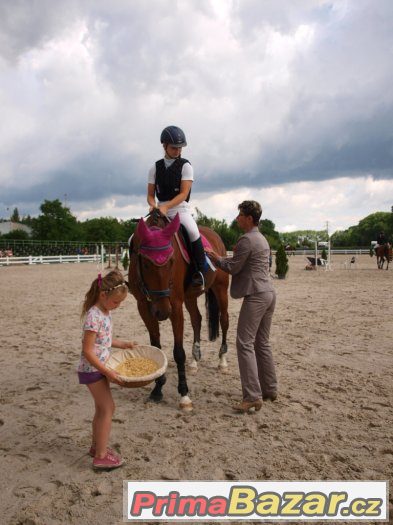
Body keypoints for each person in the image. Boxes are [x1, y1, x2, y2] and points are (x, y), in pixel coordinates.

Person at [206, 200, 277, 413]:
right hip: (269, 293)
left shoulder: (246, 239)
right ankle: (270, 388)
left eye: (239, 215)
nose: (237, 219)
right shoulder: (261, 238)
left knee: (244, 343)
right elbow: (240, 261)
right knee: (262, 342)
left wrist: (216, 259)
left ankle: (252, 396)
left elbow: (234, 267)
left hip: (256, 295)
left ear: (248, 218)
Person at [78, 269, 136, 470]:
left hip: (100, 368)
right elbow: (88, 350)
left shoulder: (105, 311)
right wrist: (109, 372)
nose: (117, 306)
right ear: (103, 295)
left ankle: (96, 447)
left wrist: (123, 344)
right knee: (108, 408)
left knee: (102, 408)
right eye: (115, 302)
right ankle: (101, 456)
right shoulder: (94, 316)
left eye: (120, 303)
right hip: (92, 369)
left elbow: (104, 341)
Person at [147, 125, 207, 289]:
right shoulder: (154, 168)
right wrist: (154, 206)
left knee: (193, 231)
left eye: (180, 148)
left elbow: (183, 193)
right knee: (134, 237)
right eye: (174, 148)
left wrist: (167, 207)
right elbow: (150, 195)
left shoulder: (186, 166)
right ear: (164, 145)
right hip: (160, 210)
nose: (178, 151)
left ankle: (200, 271)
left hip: (180, 209)